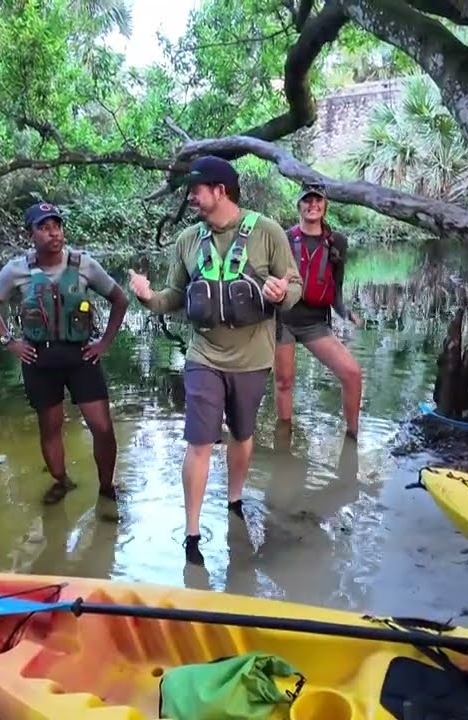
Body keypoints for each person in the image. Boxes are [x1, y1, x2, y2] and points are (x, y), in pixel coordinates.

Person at [128, 155, 304, 565]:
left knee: (242, 434)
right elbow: (174, 295)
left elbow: (293, 283)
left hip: (252, 358)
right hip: (203, 355)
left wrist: (283, 294)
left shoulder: (267, 232)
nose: (191, 196)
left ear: (219, 191)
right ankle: (192, 535)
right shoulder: (187, 240)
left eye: (197, 189)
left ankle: (235, 498)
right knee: (200, 440)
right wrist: (148, 297)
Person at [0, 202, 128, 505]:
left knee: (101, 426)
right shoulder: (16, 269)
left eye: (56, 226)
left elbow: (120, 299)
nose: (53, 233)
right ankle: (61, 481)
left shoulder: (83, 264)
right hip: (39, 360)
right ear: (31, 234)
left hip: (82, 357)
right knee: (50, 426)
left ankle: (106, 487)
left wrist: (105, 342)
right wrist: (9, 341)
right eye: (44, 227)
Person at [273, 183, 365, 439]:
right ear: (299, 205)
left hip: (316, 323)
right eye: (307, 201)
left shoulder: (337, 242)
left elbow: (336, 289)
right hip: (284, 321)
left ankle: (352, 437)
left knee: (352, 374)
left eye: (318, 201)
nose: (312, 205)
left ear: (325, 206)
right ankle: (283, 442)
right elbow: (268, 279)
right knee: (284, 382)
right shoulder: (284, 238)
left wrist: (346, 312)